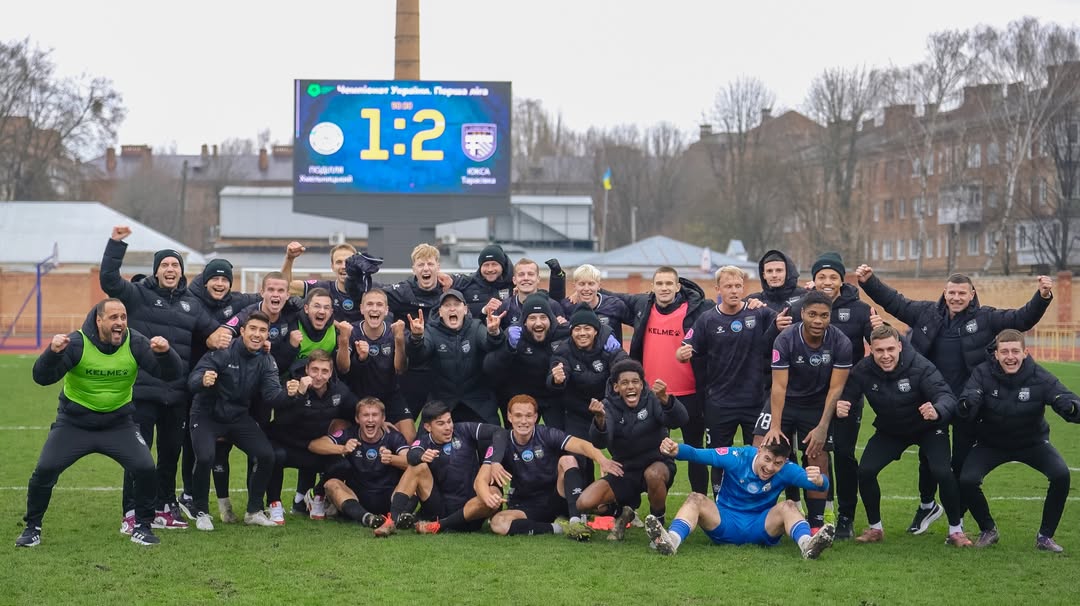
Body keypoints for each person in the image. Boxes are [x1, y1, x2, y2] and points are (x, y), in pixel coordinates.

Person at [856, 265, 1053, 534]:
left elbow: (1021, 319)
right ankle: (927, 506)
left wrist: (1042, 297)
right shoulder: (927, 313)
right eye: (952, 293)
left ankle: (956, 518)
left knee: (959, 463)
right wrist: (869, 281)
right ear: (945, 293)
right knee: (928, 459)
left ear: (972, 294)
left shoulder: (986, 318)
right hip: (930, 399)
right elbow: (895, 302)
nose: (956, 297)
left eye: (962, 293)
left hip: (967, 404)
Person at [15, 299, 182, 548]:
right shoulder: (77, 343)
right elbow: (41, 377)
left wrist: (166, 354)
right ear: (99, 320)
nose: (120, 322)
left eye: (123, 317)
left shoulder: (135, 343)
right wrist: (52, 353)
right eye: (113, 317)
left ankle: (142, 527)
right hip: (74, 424)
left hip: (119, 424)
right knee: (46, 468)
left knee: (145, 467)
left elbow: (171, 374)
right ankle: (32, 528)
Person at [100, 225, 227, 533]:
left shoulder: (191, 304)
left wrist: (224, 336)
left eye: (175, 265)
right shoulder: (138, 295)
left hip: (177, 394)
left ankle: (162, 508)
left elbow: (213, 332)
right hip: (143, 392)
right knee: (138, 455)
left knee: (170, 455)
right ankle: (132, 512)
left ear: (182, 272)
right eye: (165, 265)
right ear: (156, 271)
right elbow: (109, 280)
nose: (170, 270)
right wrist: (116, 244)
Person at [836, 325, 969, 546]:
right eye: (879, 350)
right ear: (871, 350)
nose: (885, 355)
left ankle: (956, 531)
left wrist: (937, 410)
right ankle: (875, 528)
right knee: (866, 471)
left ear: (899, 346)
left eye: (890, 349)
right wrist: (842, 406)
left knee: (942, 471)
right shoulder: (863, 369)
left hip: (928, 427)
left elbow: (946, 396)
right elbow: (847, 395)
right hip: (892, 429)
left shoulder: (920, 366)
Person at [956, 329, 1080, 552]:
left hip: (1032, 442)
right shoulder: (982, 373)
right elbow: (965, 404)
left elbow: (1067, 398)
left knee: (1061, 475)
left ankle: (1045, 537)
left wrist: (1071, 407)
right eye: (1004, 352)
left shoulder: (1040, 376)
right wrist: (967, 404)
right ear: (996, 354)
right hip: (991, 443)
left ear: (1025, 353)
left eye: (1015, 351)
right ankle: (988, 529)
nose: (1010, 357)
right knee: (967, 480)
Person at [187, 311, 303, 531]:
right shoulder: (223, 351)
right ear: (242, 331)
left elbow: (272, 396)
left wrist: (290, 394)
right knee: (205, 457)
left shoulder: (266, 360)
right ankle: (201, 511)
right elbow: (192, 381)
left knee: (266, 455)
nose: (257, 334)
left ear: (267, 335)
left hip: (238, 417)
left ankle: (253, 511)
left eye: (262, 330)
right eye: (253, 329)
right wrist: (202, 380)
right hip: (206, 414)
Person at [603, 266, 710, 495]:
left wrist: (753, 303)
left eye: (669, 283)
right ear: (652, 287)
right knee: (650, 453)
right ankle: (646, 502)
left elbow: (727, 307)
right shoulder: (643, 305)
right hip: (651, 397)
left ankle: (700, 500)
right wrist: (591, 290)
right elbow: (616, 297)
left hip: (689, 394)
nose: (664, 288)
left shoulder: (696, 309)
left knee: (695, 451)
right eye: (659, 283)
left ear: (677, 286)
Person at [792, 252, 876, 538]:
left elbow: (880, 346)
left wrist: (880, 329)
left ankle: (845, 518)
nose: (827, 282)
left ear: (842, 280)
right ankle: (818, 511)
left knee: (843, 454)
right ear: (813, 280)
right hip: (811, 396)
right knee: (814, 454)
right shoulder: (802, 307)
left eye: (833, 277)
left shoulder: (860, 310)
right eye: (821, 277)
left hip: (846, 396)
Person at [209, 271, 304, 520]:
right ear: (262, 292)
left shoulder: (292, 314)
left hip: (262, 396)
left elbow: (278, 365)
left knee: (258, 452)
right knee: (221, 449)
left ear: (287, 295)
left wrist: (288, 348)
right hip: (232, 393)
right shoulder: (247, 314)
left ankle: (255, 507)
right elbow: (222, 335)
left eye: (281, 290)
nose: (276, 294)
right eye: (271, 289)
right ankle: (224, 504)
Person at [755, 290, 852, 532]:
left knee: (817, 455)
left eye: (824, 315)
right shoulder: (785, 339)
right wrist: (775, 426)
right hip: (785, 401)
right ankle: (755, 514)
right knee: (760, 447)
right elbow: (779, 386)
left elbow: (836, 389)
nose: (818, 320)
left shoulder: (841, 342)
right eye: (812, 314)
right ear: (803, 314)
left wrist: (822, 427)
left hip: (816, 405)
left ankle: (816, 524)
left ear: (830, 316)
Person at [644, 438, 835, 559]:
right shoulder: (738, 456)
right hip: (724, 523)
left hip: (761, 527)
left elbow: (820, 485)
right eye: (767, 459)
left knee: (789, 505)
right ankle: (671, 541)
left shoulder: (787, 469)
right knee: (695, 498)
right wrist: (677, 450)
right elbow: (697, 454)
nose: (770, 468)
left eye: (777, 463)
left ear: (784, 461)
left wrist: (820, 480)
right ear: (759, 450)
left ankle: (807, 545)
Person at [678, 266, 779, 495]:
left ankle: (755, 505)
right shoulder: (707, 319)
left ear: (743, 287)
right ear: (718, 289)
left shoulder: (758, 312)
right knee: (719, 458)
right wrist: (682, 354)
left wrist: (779, 320)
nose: (734, 290)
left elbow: (783, 322)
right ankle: (721, 506)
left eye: (738, 286)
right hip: (719, 404)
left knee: (759, 457)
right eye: (728, 286)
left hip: (754, 402)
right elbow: (684, 348)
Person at [179, 257, 261, 519]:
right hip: (192, 379)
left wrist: (289, 263)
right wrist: (208, 337)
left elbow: (270, 295)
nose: (219, 283)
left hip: (225, 385)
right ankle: (188, 494)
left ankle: (216, 501)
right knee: (190, 443)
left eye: (224, 279)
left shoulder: (237, 301)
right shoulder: (190, 300)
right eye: (214, 278)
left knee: (217, 447)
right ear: (205, 281)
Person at [478, 395, 622, 540]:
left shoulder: (546, 433)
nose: (523, 421)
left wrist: (602, 460)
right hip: (525, 504)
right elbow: (481, 479)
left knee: (568, 460)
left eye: (528, 416)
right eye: (518, 416)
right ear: (509, 417)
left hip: (555, 498)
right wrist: (487, 497)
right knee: (498, 523)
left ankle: (576, 521)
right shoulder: (501, 442)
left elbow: (582, 445)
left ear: (535, 417)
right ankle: (559, 528)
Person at [575, 359, 688, 540]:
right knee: (584, 503)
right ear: (616, 387)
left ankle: (658, 525)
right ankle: (623, 512)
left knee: (653, 475)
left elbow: (681, 420)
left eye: (635, 382)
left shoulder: (652, 398)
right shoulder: (608, 406)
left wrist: (666, 399)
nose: (630, 386)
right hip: (626, 469)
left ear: (642, 384)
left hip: (657, 463)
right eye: (624, 383)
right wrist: (599, 420)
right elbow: (600, 442)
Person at [374, 400, 507, 536]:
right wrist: (421, 456)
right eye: (441, 423)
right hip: (438, 508)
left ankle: (439, 526)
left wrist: (495, 461)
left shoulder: (464, 430)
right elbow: (412, 455)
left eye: (449, 421)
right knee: (417, 466)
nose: (448, 427)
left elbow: (500, 432)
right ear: (428, 427)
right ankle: (391, 521)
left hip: (469, 512)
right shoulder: (424, 441)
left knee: (492, 494)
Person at [264, 349, 357, 524]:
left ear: (331, 373)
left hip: (313, 446)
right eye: (315, 370)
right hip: (286, 444)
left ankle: (316, 495)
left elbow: (356, 410)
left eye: (324, 371)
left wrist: (380, 421)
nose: (319, 376)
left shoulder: (339, 390)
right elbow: (282, 420)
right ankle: (274, 503)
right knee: (275, 456)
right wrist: (299, 394)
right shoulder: (292, 385)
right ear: (307, 369)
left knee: (342, 465)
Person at [405, 289, 506, 424]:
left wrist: (494, 332)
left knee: (495, 435)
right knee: (425, 437)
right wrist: (416, 337)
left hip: (477, 402)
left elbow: (490, 344)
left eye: (457, 304)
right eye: (447, 305)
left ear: (465, 309)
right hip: (443, 401)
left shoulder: (476, 326)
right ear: (440, 312)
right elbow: (419, 354)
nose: (452, 309)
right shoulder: (431, 330)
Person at [310, 397, 411, 528]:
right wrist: (342, 448)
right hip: (357, 499)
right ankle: (368, 518)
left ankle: (397, 516)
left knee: (414, 479)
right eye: (365, 415)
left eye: (375, 415)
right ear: (357, 419)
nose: (370, 419)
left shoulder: (394, 436)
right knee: (331, 484)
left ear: (383, 418)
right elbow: (314, 445)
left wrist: (392, 459)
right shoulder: (350, 434)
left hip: (390, 498)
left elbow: (411, 462)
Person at [483, 294, 569, 427]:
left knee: (558, 435)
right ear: (524, 321)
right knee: (518, 436)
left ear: (551, 319)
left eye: (543, 317)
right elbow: (490, 367)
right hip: (520, 396)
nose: (538, 323)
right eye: (532, 318)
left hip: (552, 397)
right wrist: (509, 347)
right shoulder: (514, 334)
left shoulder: (562, 334)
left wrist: (604, 335)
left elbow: (585, 329)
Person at [338, 288, 412, 440]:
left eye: (379, 305)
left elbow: (400, 369)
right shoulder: (352, 331)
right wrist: (344, 340)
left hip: (389, 394)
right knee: (336, 431)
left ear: (386, 310)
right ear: (362, 308)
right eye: (370, 304)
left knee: (409, 436)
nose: (374, 308)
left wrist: (399, 341)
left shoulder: (394, 332)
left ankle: (390, 455)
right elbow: (343, 368)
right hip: (356, 395)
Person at [561, 264, 632, 344]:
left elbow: (637, 323)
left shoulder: (614, 305)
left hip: (610, 352)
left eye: (591, 284)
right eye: (582, 284)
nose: (586, 288)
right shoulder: (566, 307)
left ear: (599, 286)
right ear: (575, 286)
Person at [492, 258, 567, 328]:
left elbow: (562, 334)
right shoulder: (504, 307)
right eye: (521, 275)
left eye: (530, 274)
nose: (526, 278)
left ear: (538, 279)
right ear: (514, 280)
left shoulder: (553, 306)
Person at [448, 244, 515, 319]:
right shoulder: (468, 284)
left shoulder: (514, 284)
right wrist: (484, 311)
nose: (490, 269)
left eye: (494, 264)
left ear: (502, 266)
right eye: (486, 265)